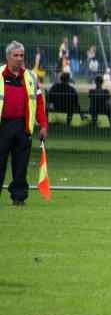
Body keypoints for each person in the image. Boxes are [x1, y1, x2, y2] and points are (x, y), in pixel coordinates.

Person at [1, 41, 48, 206]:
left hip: (23, 127)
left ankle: (19, 198)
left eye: (21, 55)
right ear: (8, 57)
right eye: (15, 55)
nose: (19, 59)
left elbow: (40, 104)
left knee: (21, 166)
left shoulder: (31, 77)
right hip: (2, 127)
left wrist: (43, 125)